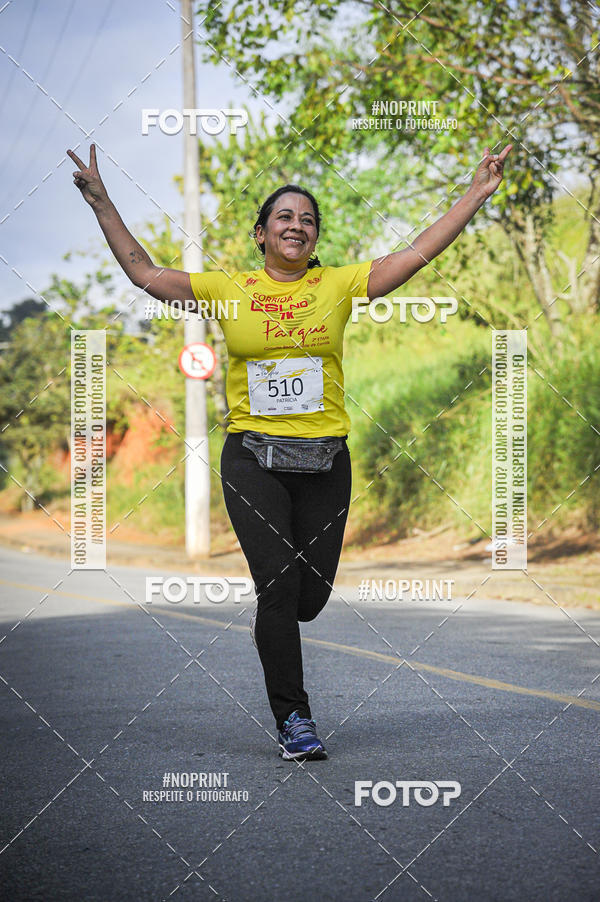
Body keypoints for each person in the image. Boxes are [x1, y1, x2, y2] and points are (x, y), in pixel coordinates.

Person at [67, 141, 512, 760]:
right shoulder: (228, 289)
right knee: (277, 588)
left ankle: (289, 640)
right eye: (284, 217)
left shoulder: (340, 284)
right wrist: (101, 201)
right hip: (253, 457)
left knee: (309, 598)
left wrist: (475, 193)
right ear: (261, 233)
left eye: (307, 218)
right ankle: (294, 720)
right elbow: (145, 273)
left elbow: (414, 255)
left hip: (326, 460)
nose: (297, 224)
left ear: (314, 235)